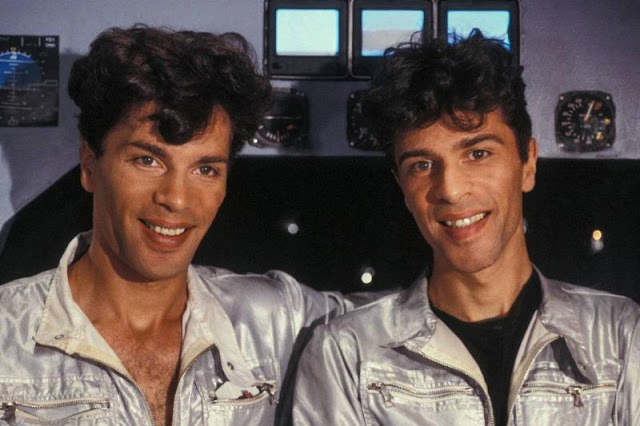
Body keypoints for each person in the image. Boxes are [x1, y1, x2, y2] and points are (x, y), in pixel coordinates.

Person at [0, 25, 356, 426]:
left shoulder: (274, 320)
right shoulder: (6, 336)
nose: (177, 198)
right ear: (89, 165)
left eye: (205, 169)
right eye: (148, 160)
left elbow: (399, 326)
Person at [293, 31, 640, 425]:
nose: (451, 190)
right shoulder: (348, 354)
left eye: (477, 153)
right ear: (402, 187)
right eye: (422, 165)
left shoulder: (619, 336)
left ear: (527, 163)